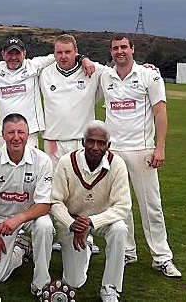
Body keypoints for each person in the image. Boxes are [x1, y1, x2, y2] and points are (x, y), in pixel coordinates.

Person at [99, 34, 181, 278]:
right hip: (113, 152)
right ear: (111, 51)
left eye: (124, 47)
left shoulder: (149, 75)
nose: (120, 51)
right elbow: (83, 64)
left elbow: (160, 113)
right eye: (115, 48)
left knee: (151, 206)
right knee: (120, 206)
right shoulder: (106, 76)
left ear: (133, 49)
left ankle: (162, 257)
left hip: (142, 149)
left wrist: (160, 147)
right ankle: (127, 251)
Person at [50, 120, 131, 302]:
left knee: (120, 229)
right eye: (91, 141)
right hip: (72, 223)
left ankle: (110, 287)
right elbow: (55, 202)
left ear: (108, 145)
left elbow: (123, 206)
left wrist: (91, 223)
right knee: (74, 282)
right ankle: (85, 249)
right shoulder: (66, 162)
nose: (95, 147)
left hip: (100, 220)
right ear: (83, 142)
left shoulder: (117, 164)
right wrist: (73, 224)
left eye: (101, 143)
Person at [39, 33, 105, 253]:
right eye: (59, 52)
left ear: (76, 52)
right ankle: (63, 233)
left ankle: (86, 235)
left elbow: (118, 72)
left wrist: (148, 69)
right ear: (53, 53)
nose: (63, 56)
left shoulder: (91, 71)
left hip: (81, 141)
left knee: (84, 190)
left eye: (68, 52)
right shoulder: (44, 72)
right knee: (56, 191)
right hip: (53, 141)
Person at [0, 113, 54, 297]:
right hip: (1, 220)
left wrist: (19, 219)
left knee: (45, 225)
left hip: (30, 216)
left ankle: (41, 283)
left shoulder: (42, 160)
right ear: (2, 135)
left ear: (28, 134)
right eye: (11, 132)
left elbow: (44, 205)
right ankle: (21, 249)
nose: (16, 137)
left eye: (21, 132)